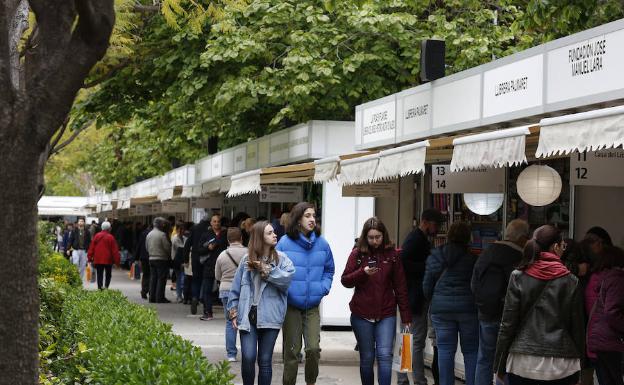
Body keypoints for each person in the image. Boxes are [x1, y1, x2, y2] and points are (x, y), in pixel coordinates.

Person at [494, 225, 585, 385]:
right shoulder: (571, 281)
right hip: (561, 365)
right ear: (555, 247)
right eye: (563, 245)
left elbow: (507, 325)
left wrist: (499, 367)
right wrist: (580, 368)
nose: (563, 249)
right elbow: (577, 328)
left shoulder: (518, 276)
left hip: (522, 362)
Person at [341, 217, 412, 385]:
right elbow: (345, 280)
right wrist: (362, 272)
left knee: (385, 355)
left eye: (378, 237)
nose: (374, 241)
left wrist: (406, 317)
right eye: (371, 237)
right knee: (367, 357)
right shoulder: (357, 254)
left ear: (383, 235)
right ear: (365, 237)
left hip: (386, 313)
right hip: (361, 314)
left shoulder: (392, 255)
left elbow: (400, 287)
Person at [227, 221, 295, 385]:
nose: (275, 235)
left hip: (270, 317)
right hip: (247, 316)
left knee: (265, 360)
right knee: (248, 357)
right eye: (270, 233)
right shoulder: (246, 260)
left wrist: (267, 270)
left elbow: (287, 280)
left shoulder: (282, 260)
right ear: (259, 237)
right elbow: (235, 289)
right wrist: (233, 312)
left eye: (274, 232)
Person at [277, 202, 335, 385]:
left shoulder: (322, 243)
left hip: (312, 305)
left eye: (314, 215)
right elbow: (275, 270)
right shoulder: (284, 243)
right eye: (307, 215)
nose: (312, 219)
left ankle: (311, 382)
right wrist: (287, 290)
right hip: (291, 305)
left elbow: (329, 269)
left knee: (313, 349)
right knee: (292, 352)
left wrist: (323, 288)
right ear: (298, 219)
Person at [472, 219, 529, 385]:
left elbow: (473, 283)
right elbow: (522, 290)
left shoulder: (486, 252)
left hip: (485, 314)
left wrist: (481, 305)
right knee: (508, 363)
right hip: (508, 318)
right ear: (522, 238)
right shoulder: (519, 257)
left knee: (484, 359)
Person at [423, 221, 478, 385]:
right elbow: (478, 285)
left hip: (441, 310)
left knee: (445, 350)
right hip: (469, 310)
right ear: (468, 238)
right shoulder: (474, 259)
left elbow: (426, 287)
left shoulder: (436, 255)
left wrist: (435, 300)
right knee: (471, 351)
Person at [397, 208, 444, 385]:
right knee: (414, 341)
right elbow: (403, 262)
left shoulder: (417, 238)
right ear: (426, 222)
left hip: (411, 296)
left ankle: (405, 378)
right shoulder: (416, 239)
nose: (438, 228)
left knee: (408, 339)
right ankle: (418, 380)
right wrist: (427, 267)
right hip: (414, 297)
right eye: (436, 224)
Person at [586, 246, 624, 385]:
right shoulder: (617, 279)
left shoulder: (602, 278)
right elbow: (612, 312)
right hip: (610, 341)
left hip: (599, 340)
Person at [215, 227, 246, 362]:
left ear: (228, 240)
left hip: (226, 290)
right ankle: (247, 352)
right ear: (241, 238)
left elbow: (217, 275)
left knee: (230, 322)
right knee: (246, 321)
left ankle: (231, 354)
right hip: (244, 291)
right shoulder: (248, 253)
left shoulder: (222, 255)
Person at [198, 214, 228, 321]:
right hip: (209, 265)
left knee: (226, 289)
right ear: (211, 223)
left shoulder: (225, 234)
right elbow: (199, 250)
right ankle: (208, 312)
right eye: (214, 221)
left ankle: (229, 312)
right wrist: (208, 248)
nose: (216, 223)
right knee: (207, 289)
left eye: (218, 221)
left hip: (223, 266)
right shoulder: (206, 235)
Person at [183, 213, 211, 314]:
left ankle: (194, 297)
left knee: (196, 280)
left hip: (195, 258)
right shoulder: (210, 229)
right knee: (207, 280)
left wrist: (186, 260)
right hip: (208, 258)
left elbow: (187, 245)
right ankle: (204, 301)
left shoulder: (195, 228)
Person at [87, 221, 120, 290]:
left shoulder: (97, 236)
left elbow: (91, 247)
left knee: (99, 274)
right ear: (109, 228)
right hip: (108, 260)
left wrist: (89, 258)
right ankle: (106, 287)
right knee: (108, 274)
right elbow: (115, 251)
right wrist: (117, 262)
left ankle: (100, 288)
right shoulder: (111, 237)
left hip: (98, 259)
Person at [146, 217, 172, 303]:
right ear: (160, 225)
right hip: (161, 259)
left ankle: (152, 297)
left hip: (151, 258)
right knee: (161, 279)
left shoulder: (149, 234)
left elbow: (146, 247)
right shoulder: (162, 234)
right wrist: (169, 256)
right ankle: (159, 297)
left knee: (153, 278)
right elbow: (167, 247)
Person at [171, 221, 187, 303]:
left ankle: (182, 295)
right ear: (176, 230)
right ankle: (179, 296)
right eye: (179, 229)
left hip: (184, 261)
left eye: (182, 229)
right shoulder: (175, 238)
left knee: (183, 278)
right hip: (177, 261)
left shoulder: (184, 238)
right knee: (179, 278)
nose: (181, 231)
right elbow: (181, 248)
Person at [135, 224, 152, 299]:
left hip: (144, 257)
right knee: (152, 275)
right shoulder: (153, 234)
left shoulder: (143, 233)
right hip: (152, 256)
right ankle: (152, 292)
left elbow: (139, 245)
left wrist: (136, 257)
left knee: (145, 274)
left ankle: (144, 291)